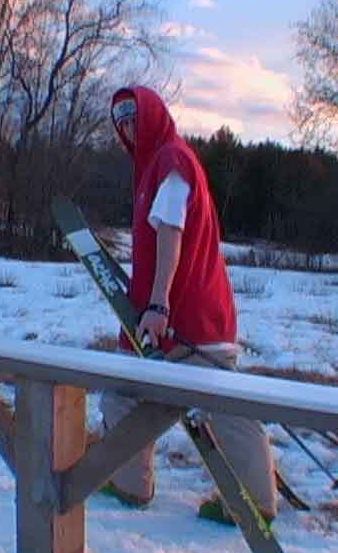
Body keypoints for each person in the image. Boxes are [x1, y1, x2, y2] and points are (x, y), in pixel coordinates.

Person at [100, 85, 277, 524]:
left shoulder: (171, 161)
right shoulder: (155, 167)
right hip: (169, 317)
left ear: (154, 116)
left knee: (225, 407)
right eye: (120, 122)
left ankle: (255, 505)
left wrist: (158, 304)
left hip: (189, 318)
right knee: (123, 392)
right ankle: (129, 484)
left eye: (133, 118)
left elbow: (171, 230)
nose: (127, 128)